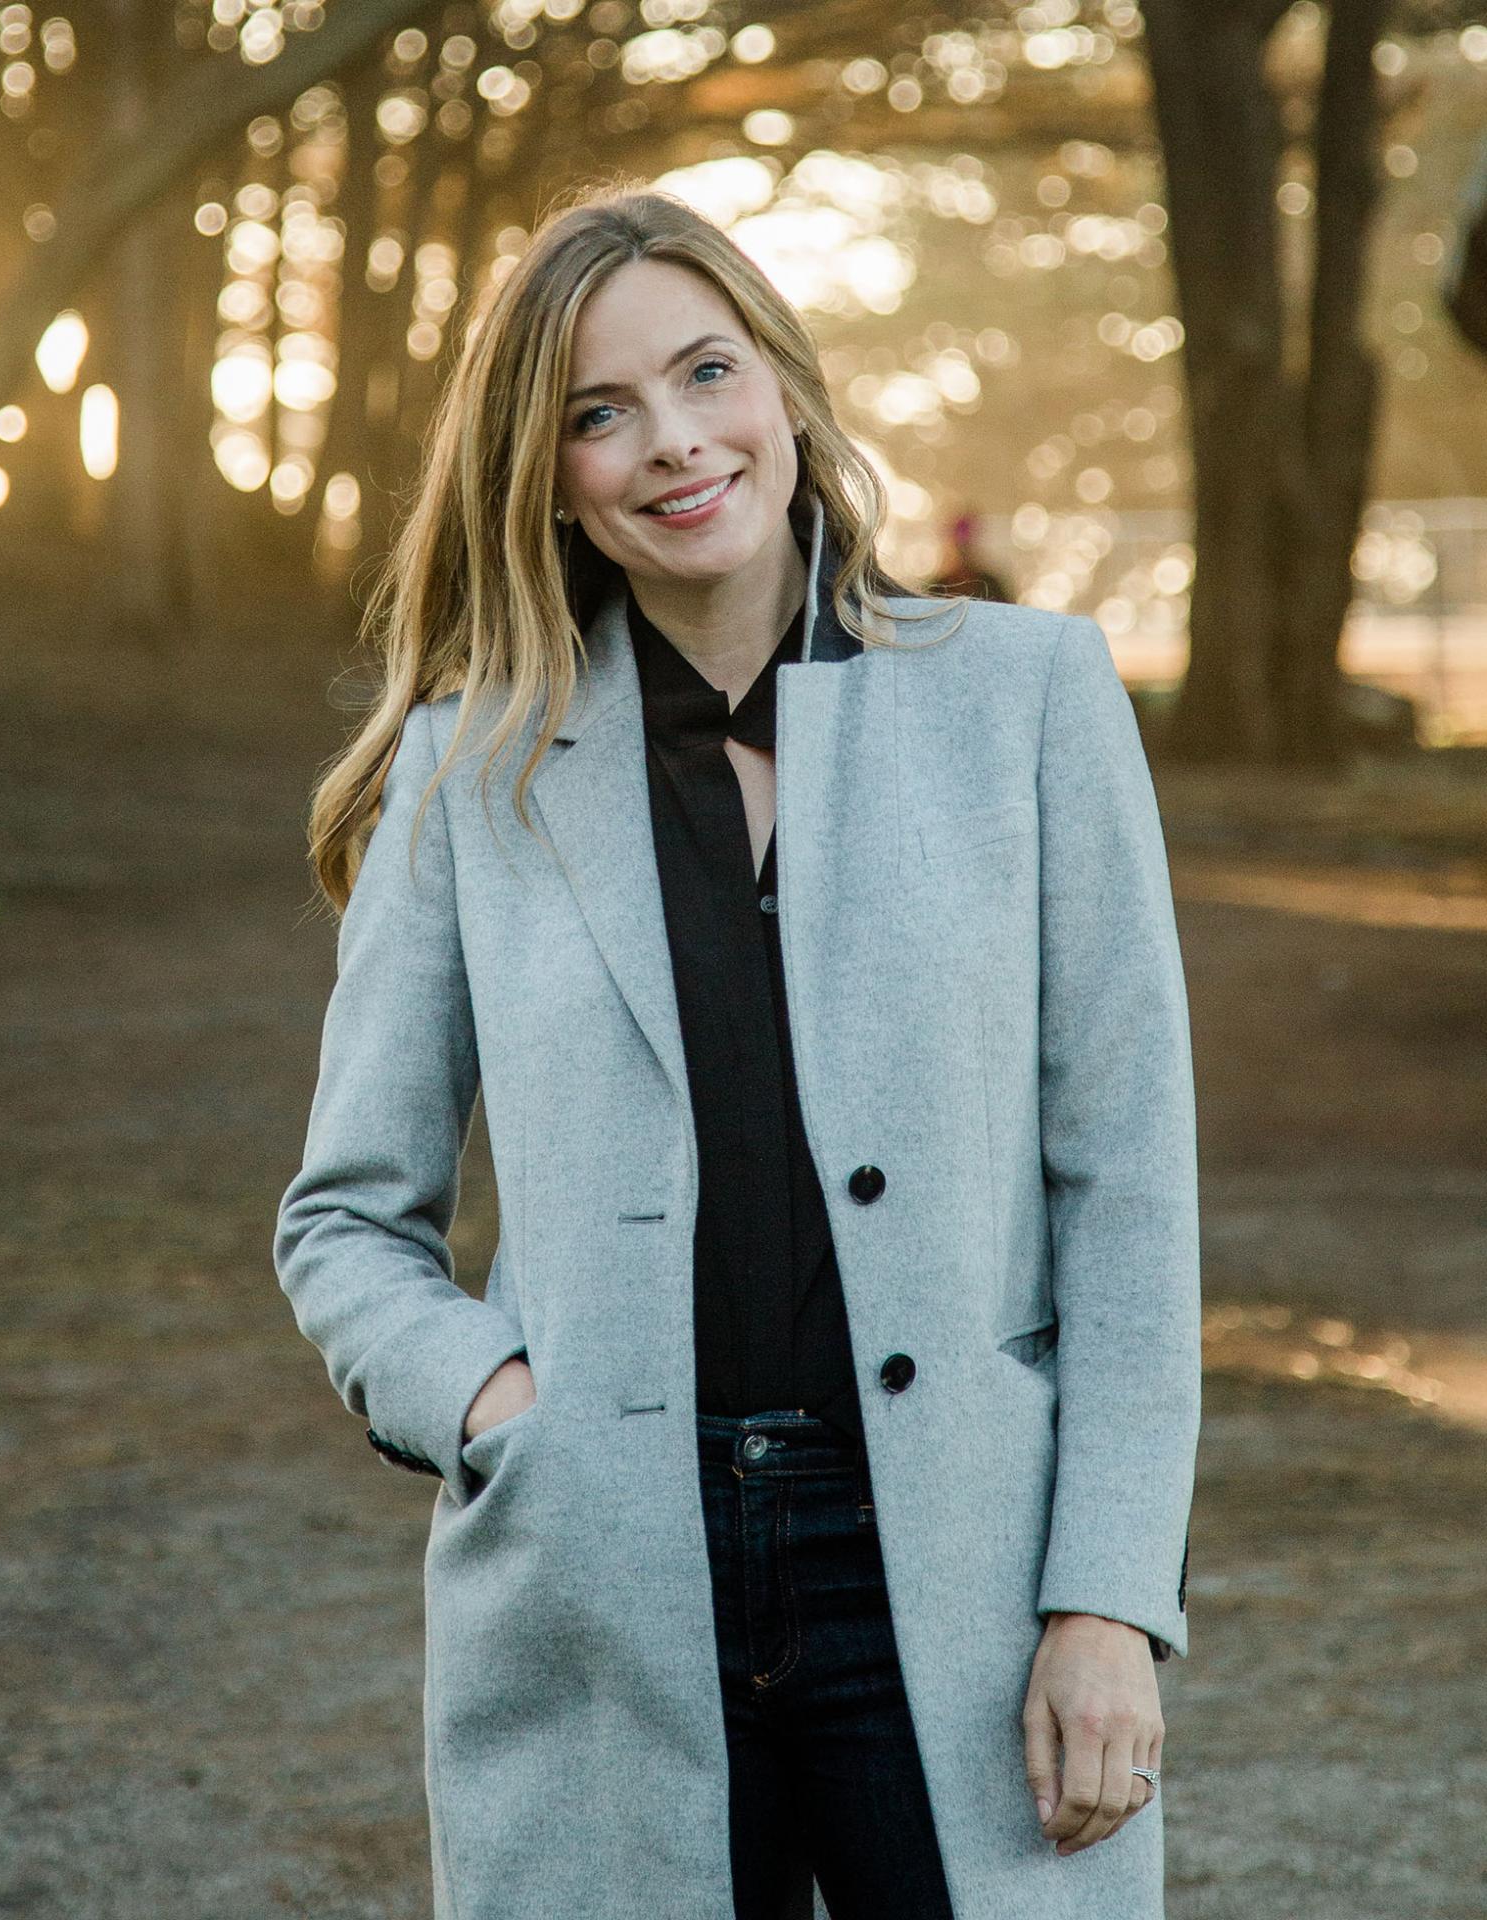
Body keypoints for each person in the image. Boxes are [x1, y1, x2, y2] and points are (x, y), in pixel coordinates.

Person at [274, 182, 1200, 1920]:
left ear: (782, 381)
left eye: (706, 373)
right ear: (542, 473)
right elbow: (345, 1222)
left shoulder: (1032, 701)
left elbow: (1128, 1193)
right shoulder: (466, 776)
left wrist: (1107, 1601)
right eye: (597, 413)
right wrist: (499, 1409)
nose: (673, 443)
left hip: (965, 1572)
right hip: (601, 1574)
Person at [929, 508, 1013, 604]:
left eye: (966, 548)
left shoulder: (991, 585)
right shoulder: (937, 587)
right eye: (960, 548)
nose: (963, 555)